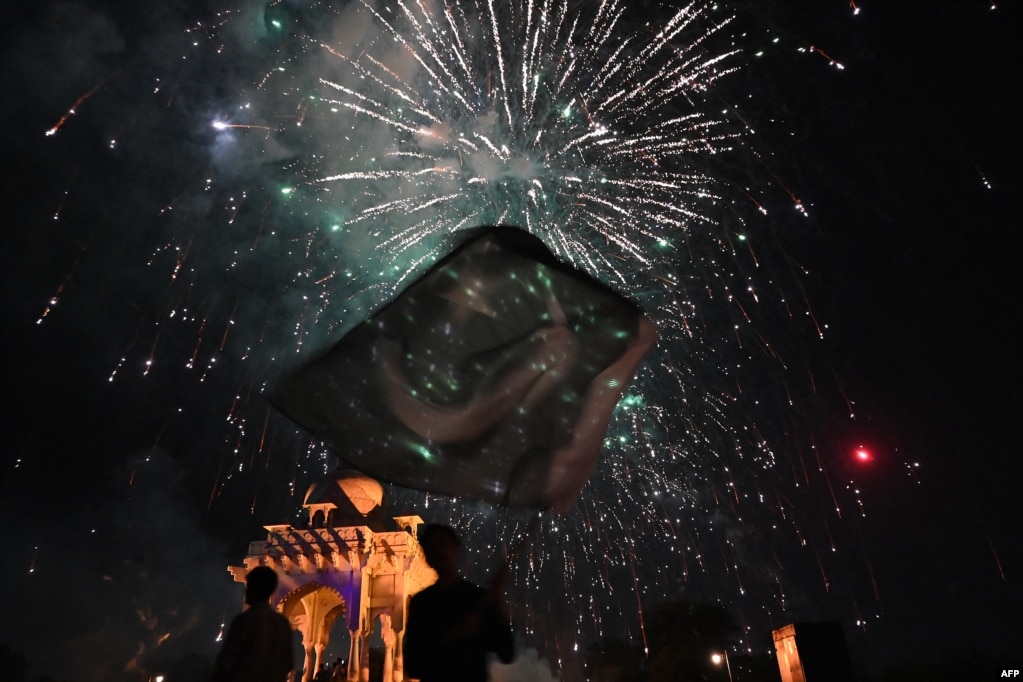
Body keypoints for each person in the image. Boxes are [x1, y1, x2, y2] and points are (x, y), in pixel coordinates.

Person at [404, 524, 515, 682]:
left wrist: (498, 602)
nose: (439, 550)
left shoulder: (478, 598)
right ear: (426, 557)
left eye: (443, 542)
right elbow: (413, 666)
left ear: (456, 548)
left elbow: (507, 654)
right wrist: (454, 634)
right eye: (431, 547)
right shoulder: (422, 604)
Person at [212, 565, 295, 682]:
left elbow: (225, 663)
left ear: (255, 588)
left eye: (249, 585)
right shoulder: (282, 624)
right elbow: (288, 665)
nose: (246, 590)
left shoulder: (244, 621)